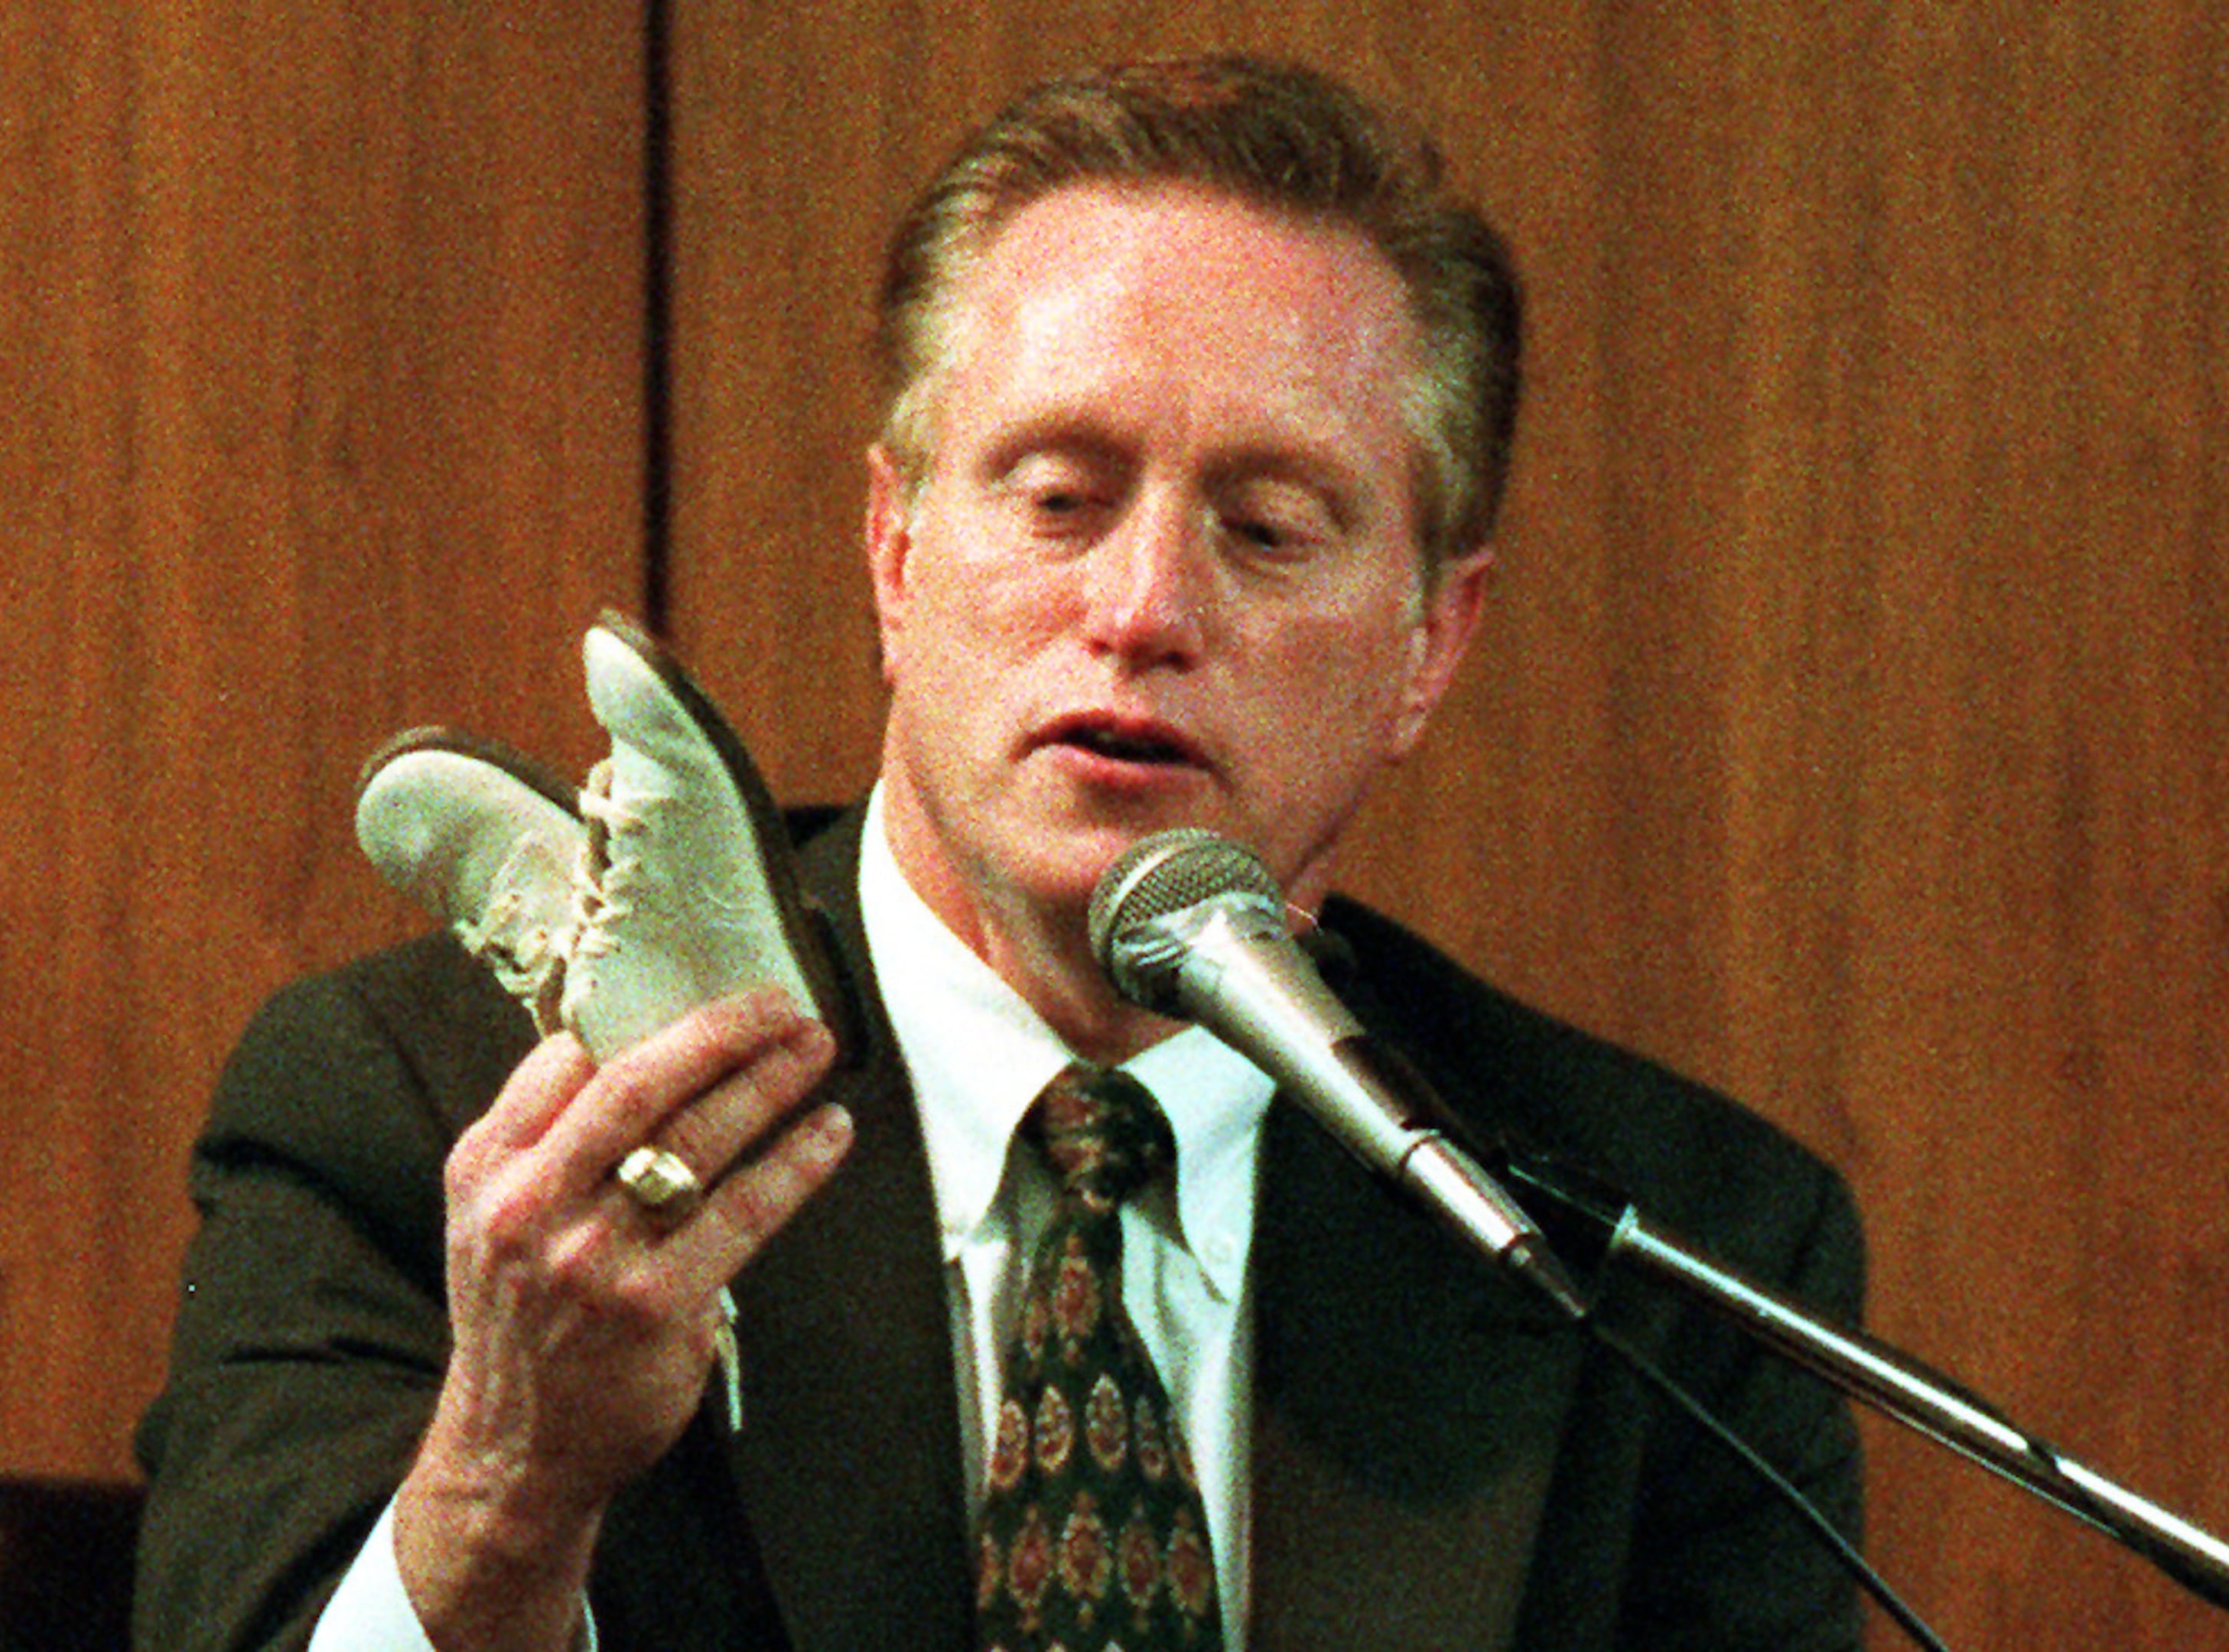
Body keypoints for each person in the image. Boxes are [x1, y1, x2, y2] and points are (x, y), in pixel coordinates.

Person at [134, 54, 1867, 1652]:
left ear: (1431, 641)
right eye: (1059, 497)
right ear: (895, 550)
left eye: (1267, 530)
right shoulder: (431, 1120)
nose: (1143, 610)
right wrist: (509, 1483)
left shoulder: (1672, 1264)